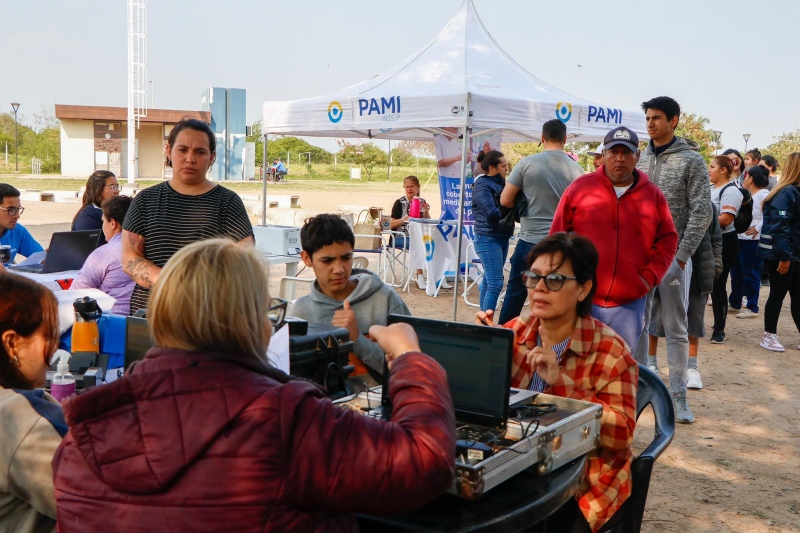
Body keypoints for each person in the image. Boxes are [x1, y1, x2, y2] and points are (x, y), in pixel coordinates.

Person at [53, 239, 456, 531]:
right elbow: (425, 463)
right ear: (247, 320)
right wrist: (410, 360)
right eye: (266, 309)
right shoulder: (286, 418)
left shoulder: (83, 434)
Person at [475, 233, 637, 533]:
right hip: (518, 464)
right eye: (533, 277)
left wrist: (561, 384)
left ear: (583, 289)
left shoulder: (611, 351)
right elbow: (489, 410)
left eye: (555, 280)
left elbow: (621, 436)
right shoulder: (516, 331)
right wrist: (485, 353)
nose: (539, 288)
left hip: (583, 480)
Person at [550, 126, 678, 353]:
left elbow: (668, 238)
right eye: (613, 152)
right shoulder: (579, 188)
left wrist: (648, 278)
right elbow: (557, 237)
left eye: (627, 153)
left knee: (617, 367)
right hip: (581, 297)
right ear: (604, 154)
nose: (620, 159)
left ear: (637, 156)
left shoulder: (653, 195)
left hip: (628, 302)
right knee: (572, 363)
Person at [121, 117, 254, 315]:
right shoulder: (145, 200)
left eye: (200, 152)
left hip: (208, 316)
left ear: (212, 157)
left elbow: (244, 258)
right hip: (152, 314)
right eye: (182, 150)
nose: (190, 159)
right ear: (169, 151)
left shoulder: (227, 202)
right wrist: (171, 282)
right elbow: (130, 258)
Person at [636, 96, 710, 424]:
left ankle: (679, 396)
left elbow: (701, 210)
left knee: (676, 327)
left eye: (656, 118)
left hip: (673, 258)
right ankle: (638, 391)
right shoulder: (638, 158)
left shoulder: (692, 160)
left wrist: (682, 257)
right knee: (636, 323)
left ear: (674, 120)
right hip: (638, 257)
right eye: (648, 117)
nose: (650, 123)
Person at [290, 214, 411, 381]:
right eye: (327, 261)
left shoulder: (385, 299)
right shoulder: (300, 313)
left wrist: (357, 340)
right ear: (306, 258)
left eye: (346, 258)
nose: (339, 269)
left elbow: (412, 372)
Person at [498, 119, 583, 324]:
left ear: (542, 138)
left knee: (515, 294)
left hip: (529, 241)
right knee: (555, 297)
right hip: (560, 244)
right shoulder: (577, 170)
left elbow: (505, 200)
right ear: (564, 139)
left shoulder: (527, 163)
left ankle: (503, 339)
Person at [0, 273, 66, 533]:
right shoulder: (20, 418)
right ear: (12, 343)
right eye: (49, 335)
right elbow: (101, 505)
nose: (56, 346)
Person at [650, 203, 722, 390]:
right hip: (666, 267)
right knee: (655, 315)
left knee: (694, 319)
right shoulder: (665, 201)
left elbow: (716, 238)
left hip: (699, 268)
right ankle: (651, 363)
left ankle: (691, 367)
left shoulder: (708, 207)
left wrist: (715, 266)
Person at [757, 152, 800, 352]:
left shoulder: (794, 191)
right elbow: (780, 226)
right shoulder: (787, 192)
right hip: (783, 255)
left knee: (798, 297)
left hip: (794, 254)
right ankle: (769, 335)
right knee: (777, 295)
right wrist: (784, 257)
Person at [70, 196, 136, 315]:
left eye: (103, 221)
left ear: (112, 223)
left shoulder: (104, 254)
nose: (103, 226)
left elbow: (77, 293)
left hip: (111, 322)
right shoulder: (151, 248)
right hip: (146, 321)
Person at [471, 150, 514, 312]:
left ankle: (483, 322)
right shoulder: (482, 185)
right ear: (492, 168)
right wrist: (512, 205)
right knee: (496, 284)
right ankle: (487, 326)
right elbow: (491, 213)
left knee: (489, 283)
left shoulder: (502, 184)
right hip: (488, 238)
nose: (506, 169)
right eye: (503, 166)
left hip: (501, 237)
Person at [708, 155, 743, 344]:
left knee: (718, 286)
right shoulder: (710, 188)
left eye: (712, 166)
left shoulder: (731, 191)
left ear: (723, 170)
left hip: (724, 242)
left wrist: (700, 219)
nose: (709, 170)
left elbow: (726, 219)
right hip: (708, 240)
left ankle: (719, 329)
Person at [729, 165, 770, 319]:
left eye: (746, 176)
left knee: (750, 273)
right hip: (740, 238)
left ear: (751, 178)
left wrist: (758, 228)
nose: (744, 179)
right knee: (736, 272)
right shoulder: (746, 194)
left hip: (752, 241)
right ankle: (735, 302)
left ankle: (752, 306)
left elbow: (769, 215)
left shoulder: (764, 195)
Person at [389, 175, 430, 289]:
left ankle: (437, 276)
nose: (409, 189)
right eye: (407, 187)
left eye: (412, 186)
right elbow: (390, 224)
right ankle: (420, 276)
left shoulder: (421, 202)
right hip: (400, 236)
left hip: (418, 235)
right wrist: (404, 219)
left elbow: (427, 221)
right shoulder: (399, 202)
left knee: (433, 243)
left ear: (418, 187)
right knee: (418, 244)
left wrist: (425, 212)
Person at [71, 170, 119, 246]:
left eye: (117, 186)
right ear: (98, 190)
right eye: (112, 187)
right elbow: (93, 251)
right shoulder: (87, 217)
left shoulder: (116, 210)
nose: (117, 191)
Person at [0, 184, 44, 267]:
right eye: (11, 210)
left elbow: (40, 258)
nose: (17, 216)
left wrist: (52, 257)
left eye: (18, 210)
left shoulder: (17, 230)